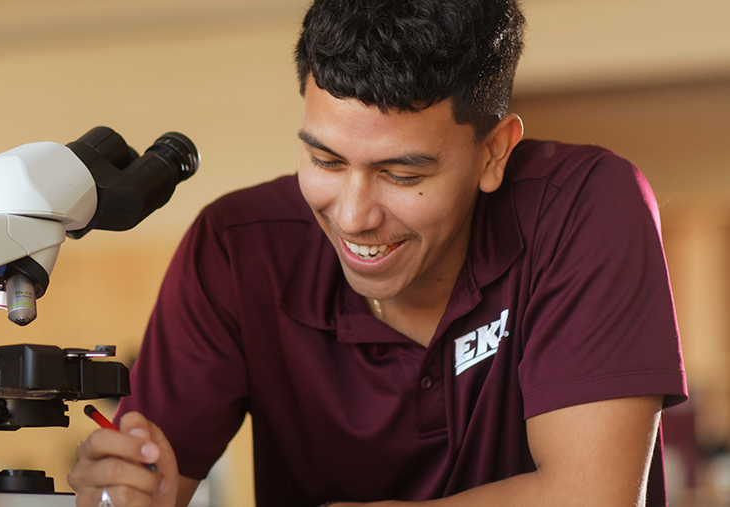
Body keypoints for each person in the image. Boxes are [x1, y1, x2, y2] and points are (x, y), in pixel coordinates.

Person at [68, 0, 687, 506]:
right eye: (325, 160)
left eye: (401, 173)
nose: (354, 215)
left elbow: (592, 498)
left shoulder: (583, 204)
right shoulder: (235, 249)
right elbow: (149, 485)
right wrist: (125, 488)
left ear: (494, 153)